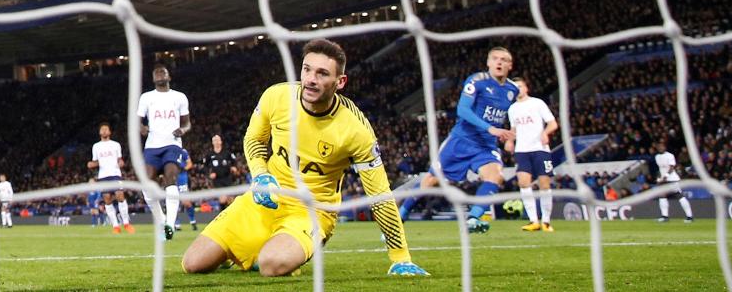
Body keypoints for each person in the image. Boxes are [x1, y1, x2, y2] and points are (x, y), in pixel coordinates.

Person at [181, 39, 428, 278]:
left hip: (312, 211)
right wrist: (260, 174)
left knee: (271, 264)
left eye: (322, 73)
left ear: (340, 82)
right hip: (266, 200)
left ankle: (279, 251)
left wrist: (400, 257)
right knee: (192, 264)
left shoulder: (355, 129)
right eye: (307, 69)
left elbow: (380, 194)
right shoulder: (276, 97)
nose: (310, 79)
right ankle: (245, 250)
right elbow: (254, 140)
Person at [399, 47, 518, 234]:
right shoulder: (476, 81)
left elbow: (513, 114)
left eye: (504, 59)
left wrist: (511, 136)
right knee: (430, 181)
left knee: (496, 176)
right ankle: (400, 217)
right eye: (495, 58)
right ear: (488, 63)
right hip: (460, 141)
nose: (499, 62)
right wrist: (491, 128)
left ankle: (473, 219)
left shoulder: (513, 89)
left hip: (485, 146)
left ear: (510, 65)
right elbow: (463, 110)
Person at [137, 64, 191, 240]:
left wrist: (183, 130)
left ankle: (170, 225)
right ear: (153, 79)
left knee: (171, 179)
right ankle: (161, 221)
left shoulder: (179, 97)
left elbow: (187, 123)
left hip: (172, 144)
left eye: (163, 72)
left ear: (169, 77)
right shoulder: (146, 97)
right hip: (152, 146)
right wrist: (141, 128)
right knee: (147, 185)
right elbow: (137, 120)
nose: (160, 74)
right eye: (156, 72)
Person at [505, 77, 558, 232]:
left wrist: (545, 133)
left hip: (540, 149)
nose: (518, 89)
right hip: (522, 150)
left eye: (520, 86)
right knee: (523, 183)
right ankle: (533, 221)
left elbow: (552, 123)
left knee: (544, 184)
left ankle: (546, 221)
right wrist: (509, 140)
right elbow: (514, 128)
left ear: (526, 88)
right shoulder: (512, 109)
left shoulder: (537, 103)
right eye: (515, 87)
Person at [88, 122, 133, 234]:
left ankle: (126, 223)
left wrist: (121, 162)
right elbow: (96, 161)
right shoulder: (96, 146)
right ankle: (116, 226)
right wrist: (91, 164)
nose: (104, 131)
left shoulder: (116, 145)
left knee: (120, 195)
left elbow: (119, 159)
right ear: (99, 132)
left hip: (115, 174)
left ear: (109, 132)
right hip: (103, 175)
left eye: (106, 129)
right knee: (107, 199)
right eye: (102, 129)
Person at [654, 141, 694, 223]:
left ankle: (690, 217)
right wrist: (659, 178)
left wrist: (666, 176)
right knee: (662, 195)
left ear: (665, 147)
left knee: (679, 195)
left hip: (672, 179)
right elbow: (660, 169)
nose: (660, 148)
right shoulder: (657, 156)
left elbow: (672, 167)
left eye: (662, 146)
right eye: (659, 147)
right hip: (664, 180)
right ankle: (665, 216)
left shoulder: (670, 155)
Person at [203, 134, 241, 207]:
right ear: (212, 142)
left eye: (218, 140)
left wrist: (234, 167)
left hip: (228, 178)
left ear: (221, 142)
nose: (216, 142)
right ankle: (222, 216)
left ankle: (231, 217)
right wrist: (209, 174)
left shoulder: (227, 152)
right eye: (215, 140)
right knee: (222, 200)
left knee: (231, 200)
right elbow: (205, 167)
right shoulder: (209, 154)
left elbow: (234, 161)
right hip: (217, 180)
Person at [175, 154, 198, 231]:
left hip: (182, 177)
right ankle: (176, 224)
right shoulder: (167, 149)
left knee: (186, 202)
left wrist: (183, 168)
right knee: (173, 201)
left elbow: (190, 164)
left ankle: (193, 221)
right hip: (171, 176)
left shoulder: (183, 151)